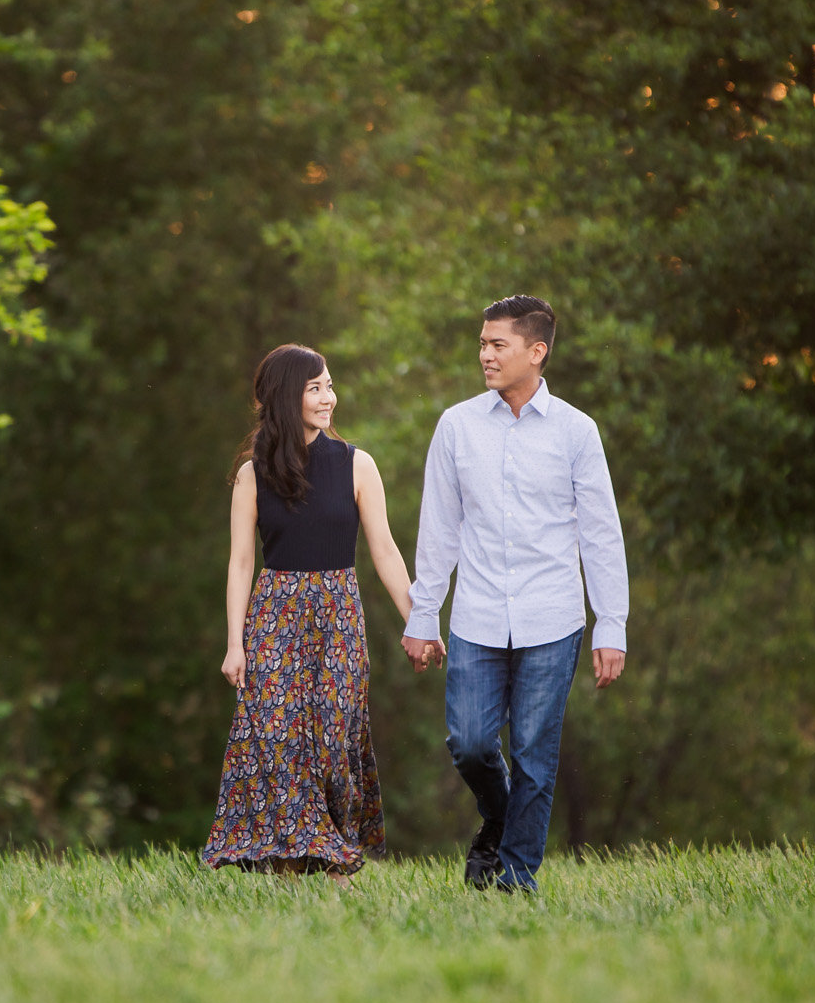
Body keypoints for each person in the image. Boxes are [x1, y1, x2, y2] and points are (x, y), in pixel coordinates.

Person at [401, 296, 629, 890]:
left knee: (534, 755)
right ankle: (499, 825)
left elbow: (602, 533)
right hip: (475, 615)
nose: (484, 355)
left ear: (537, 351)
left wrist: (612, 624)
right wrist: (423, 614)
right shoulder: (457, 426)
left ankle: (514, 878)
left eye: (497, 344)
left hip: (552, 618)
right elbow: (439, 529)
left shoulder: (578, 432)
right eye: (482, 343)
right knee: (471, 743)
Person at [202, 344, 419, 878]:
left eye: (330, 386)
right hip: (273, 618)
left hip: (338, 615)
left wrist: (421, 619)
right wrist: (235, 644)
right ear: (285, 396)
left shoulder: (357, 465)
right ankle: (286, 866)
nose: (330, 398)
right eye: (315, 388)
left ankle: (338, 859)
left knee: (333, 738)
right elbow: (240, 563)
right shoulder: (253, 475)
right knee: (278, 741)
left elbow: (385, 550)